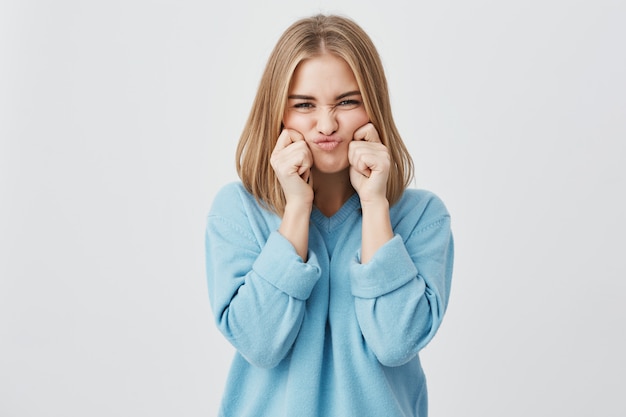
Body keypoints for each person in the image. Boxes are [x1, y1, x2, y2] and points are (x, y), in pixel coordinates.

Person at [205, 13, 454, 417]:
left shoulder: (422, 217)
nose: (327, 125)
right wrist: (297, 208)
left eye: (347, 101)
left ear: (373, 104)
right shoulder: (238, 212)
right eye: (304, 105)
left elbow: (396, 342)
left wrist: (374, 206)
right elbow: (259, 343)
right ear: (279, 113)